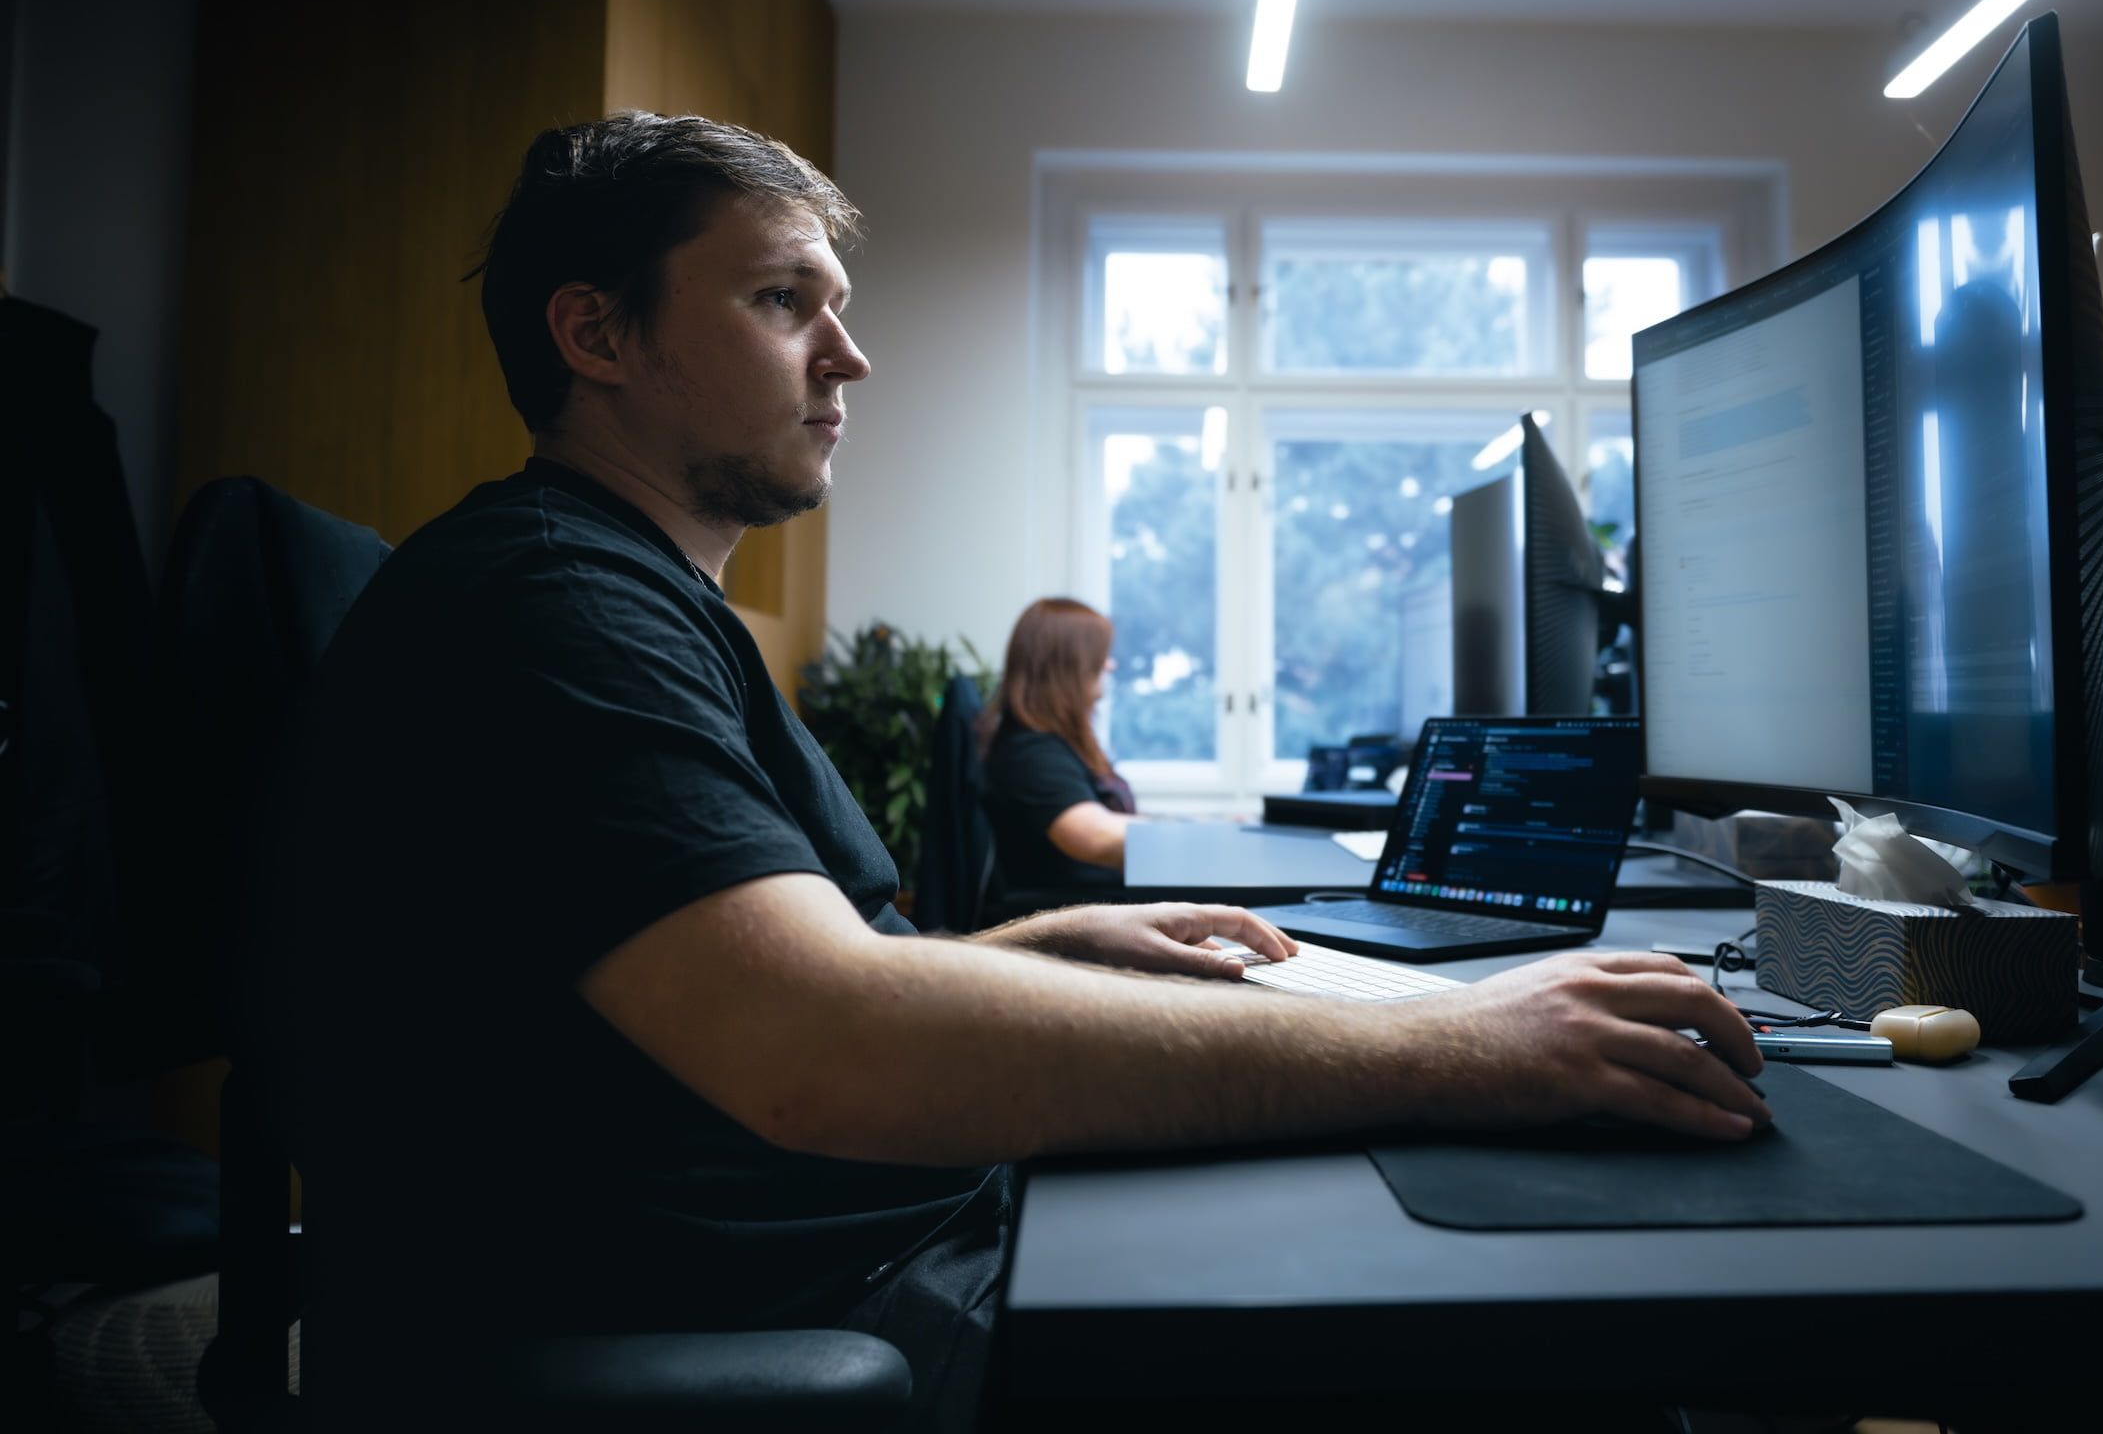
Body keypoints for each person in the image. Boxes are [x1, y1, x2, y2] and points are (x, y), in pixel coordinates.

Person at [295, 112, 1769, 1432]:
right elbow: (820, 1052)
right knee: (1554, 1353)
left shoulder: (639, 597)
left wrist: (1039, 944)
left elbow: (763, 980)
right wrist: (1458, 1047)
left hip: (871, 1234)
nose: (847, 354)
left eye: (839, 307)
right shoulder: (552, 609)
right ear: (597, 337)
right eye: (779, 300)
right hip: (813, 1311)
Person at [977, 597, 1138, 903]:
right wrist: (1197, 838)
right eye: (1100, 656)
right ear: (1069, 666)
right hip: (1075, 916)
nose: (1110, 664)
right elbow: (1095, 837)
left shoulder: (1052, 743)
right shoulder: (1030, 752)